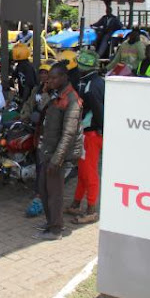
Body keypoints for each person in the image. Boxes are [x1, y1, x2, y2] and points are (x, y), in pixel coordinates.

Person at [33, 63, 83, 241]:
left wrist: (57, 159)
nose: (50, 80)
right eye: (49, 77)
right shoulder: (56, 95)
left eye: (54, 78)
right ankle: (51, 222)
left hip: (56, 154)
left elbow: (69, 134)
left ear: (64, 77)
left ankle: (56, 229)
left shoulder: (72, 100)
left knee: (54, 193)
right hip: (47, 150)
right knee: (44, 189)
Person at [66, 49, 105, 224]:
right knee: (82, 171)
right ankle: (76, 204)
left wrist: (98, 129)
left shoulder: (91, 86)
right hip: (87, 133)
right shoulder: (92, 82)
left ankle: (91, 210)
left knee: (89, 172)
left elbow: (98, 112)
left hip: (90, 134)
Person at [21, 62, 52, 218]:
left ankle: (40, 192)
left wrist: (46, 92)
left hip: (46, 129)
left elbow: (49, 108)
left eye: (46, 73)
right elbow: (29, 103)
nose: (43, 76)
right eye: (41, 73)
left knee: (42, 162)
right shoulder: (36, 89)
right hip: (35, 125)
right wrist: (24, 115)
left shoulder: (53, 91)